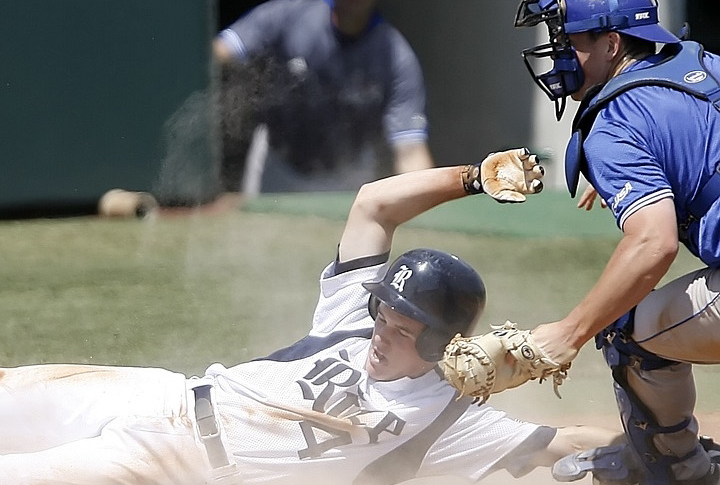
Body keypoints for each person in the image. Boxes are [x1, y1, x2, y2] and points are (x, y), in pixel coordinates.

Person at [0, 148, 624, 484]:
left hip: (178, 468)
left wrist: (681, 449)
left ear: (441, 344)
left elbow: (560, 443)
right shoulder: (355, 320)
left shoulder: (447, 422)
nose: (382, 333)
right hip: (162, 395)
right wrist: (473, 178)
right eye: (385, 314)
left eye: (404, 329)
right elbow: (374, 206)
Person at [514, 0, 720, 484]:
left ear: (612, 43)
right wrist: (645, 171)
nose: (559, 53)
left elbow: (654, 243)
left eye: (569, 41)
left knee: (624, 326)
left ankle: (678, 469)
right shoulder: (706, 64)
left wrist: (570, 332)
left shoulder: (615, 123)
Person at [213, 0, 433, 195]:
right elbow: (220, 52)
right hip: (279, 165)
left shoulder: (396, 56)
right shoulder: (286, 16)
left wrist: (429, 209)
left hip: (349, 175)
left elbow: (409, 148)